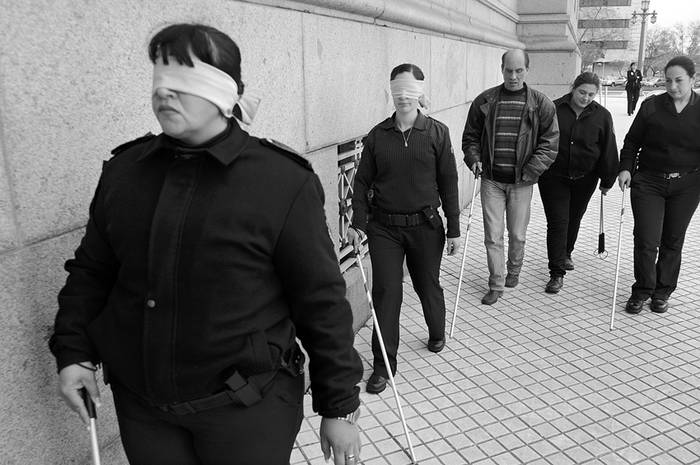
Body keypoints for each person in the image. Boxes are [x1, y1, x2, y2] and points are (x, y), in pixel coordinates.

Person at [49, 23, 364, 465]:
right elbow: (92, 271)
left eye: (182, 83)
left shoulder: (280, 182)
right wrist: (74, 351)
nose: (164, 94)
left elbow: (320, 299)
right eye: (159, 82)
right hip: (143, 408)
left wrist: (338, 405)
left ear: (223, 92)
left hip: (247, 410)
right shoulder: (124, 173)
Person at [347, 63, 461, 395]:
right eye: (397, 93)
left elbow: (449, 182)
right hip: (384, 229)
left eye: (409, 92)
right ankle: (384, 364)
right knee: (386, 294)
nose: (403, 99)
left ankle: (436, 329)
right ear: (391, 93)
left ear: (420, 93)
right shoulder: (378, 136)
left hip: (425, 226)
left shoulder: (437, 133)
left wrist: (453, 228)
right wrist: (358, 223)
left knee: (427, 285)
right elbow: (362, 182)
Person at [462, 49, 559, 305]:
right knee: (493, 235)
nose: (513, 76)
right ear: (501, 68)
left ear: (527, 70)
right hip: (491, 180)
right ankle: (496, 283)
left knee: (517, 234)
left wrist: (531, 171)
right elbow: (470, 137)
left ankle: (514, 269)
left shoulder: (540, 104)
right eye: (508, 70)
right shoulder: (485, 100)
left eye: (519, 71)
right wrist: (474, 159)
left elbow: (550, 143)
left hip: (521, 181)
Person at [619, 55, 700, 315]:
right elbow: (631, 142)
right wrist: (625, 169)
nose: (673, 86)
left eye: (679, 80)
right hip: (649, 182)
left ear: (692, 79)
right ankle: (642, 289)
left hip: (688, 184)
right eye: (668, 81)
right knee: (646, 239)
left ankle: (662, 291)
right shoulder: (651, 106)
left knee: (672, 240)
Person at [538, 72, 618, 294]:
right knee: (558, 222)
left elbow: (608, 147)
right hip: (554, 177)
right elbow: (539, 140)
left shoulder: (602, 116)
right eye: (582, 92)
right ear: (573, 88)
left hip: (585, 177)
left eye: (591, 94)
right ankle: (556, 273)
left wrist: (607, 179)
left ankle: (566, 253)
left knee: (574, 218)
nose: (585, 98)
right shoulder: (552, 109)